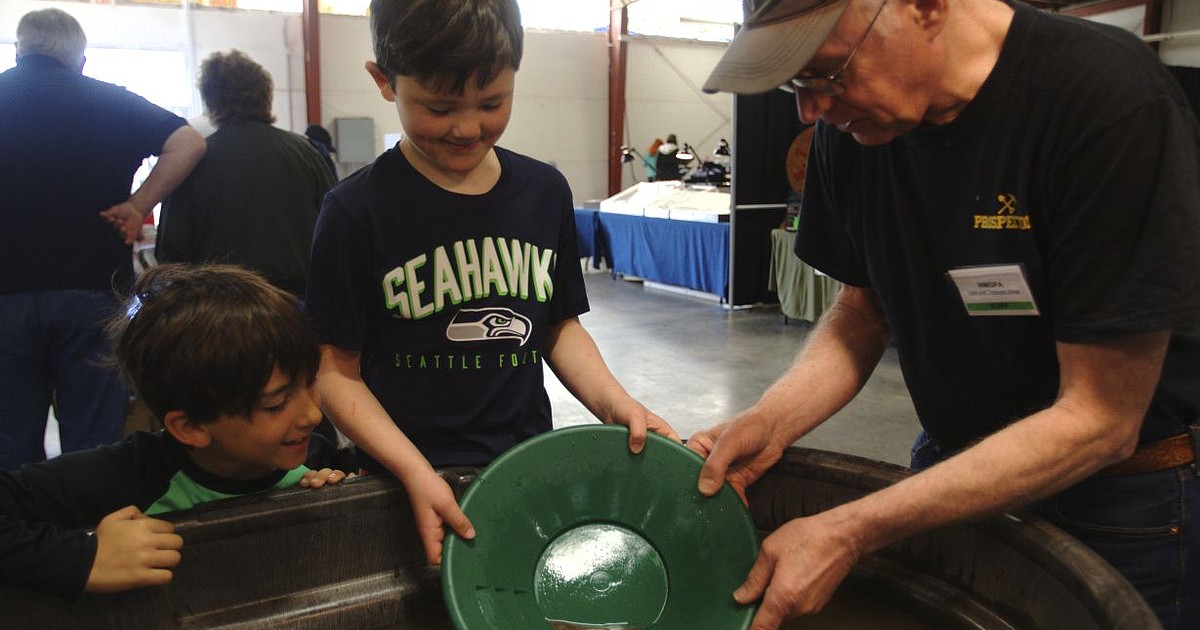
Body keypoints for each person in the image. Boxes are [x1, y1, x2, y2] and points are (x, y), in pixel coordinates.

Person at [692, 1, 1200, 629]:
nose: (811, 109)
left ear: (924, 8)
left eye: (826, 72)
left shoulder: (1104, 100)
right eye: (795, 84)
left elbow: (1100, 419)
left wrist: (850, 529)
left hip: (1117, 498)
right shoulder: (850, 132)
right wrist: (771, 420)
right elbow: (862, 311)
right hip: (951, 466)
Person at [305, 0, 679, 567]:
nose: (466, 127)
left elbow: (556, 327)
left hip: (521, 468)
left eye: (492, 102)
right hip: (400, 478)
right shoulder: (355, 211)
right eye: (439, 106)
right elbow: (335, 372)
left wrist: (614, 401)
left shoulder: (543, 192)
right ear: (385, 82)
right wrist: (413, 470)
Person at [0, 264, 349, 600]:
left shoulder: (314, 456)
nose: (312, 414)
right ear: (191, 427)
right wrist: (83, 558)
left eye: (310, 383)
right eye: (275, 404)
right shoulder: (131, 475)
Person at [0, 8, 206, 471]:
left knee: (9, 440)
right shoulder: (110, 102)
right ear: (81, 58)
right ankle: (93, 534)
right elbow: (189, 143)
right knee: (93, 436)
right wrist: (139, 204)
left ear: (19, 51)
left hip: (4, 298)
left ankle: (17, 536)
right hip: (93, 290)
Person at [157, 50, 335, 299]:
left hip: (220, 310)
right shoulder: (307, 153)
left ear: (210, 100)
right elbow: (334, 235)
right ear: (266, 96)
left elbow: (171, 252)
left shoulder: (194, 160)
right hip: (296, 307)